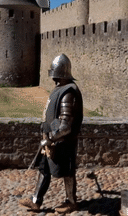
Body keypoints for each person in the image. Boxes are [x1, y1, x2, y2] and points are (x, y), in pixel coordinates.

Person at [19, 54, 83, 214]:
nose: (54, 80)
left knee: (67, 171)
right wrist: (47, 138)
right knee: (44, 169)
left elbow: (66, 126)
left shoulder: (69, 93)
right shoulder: (59, 89)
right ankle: (36, 201)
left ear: (61, 73)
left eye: (56, 76)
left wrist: (51, 138)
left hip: (63, 142)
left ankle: (71, 202)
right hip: (51, 140)